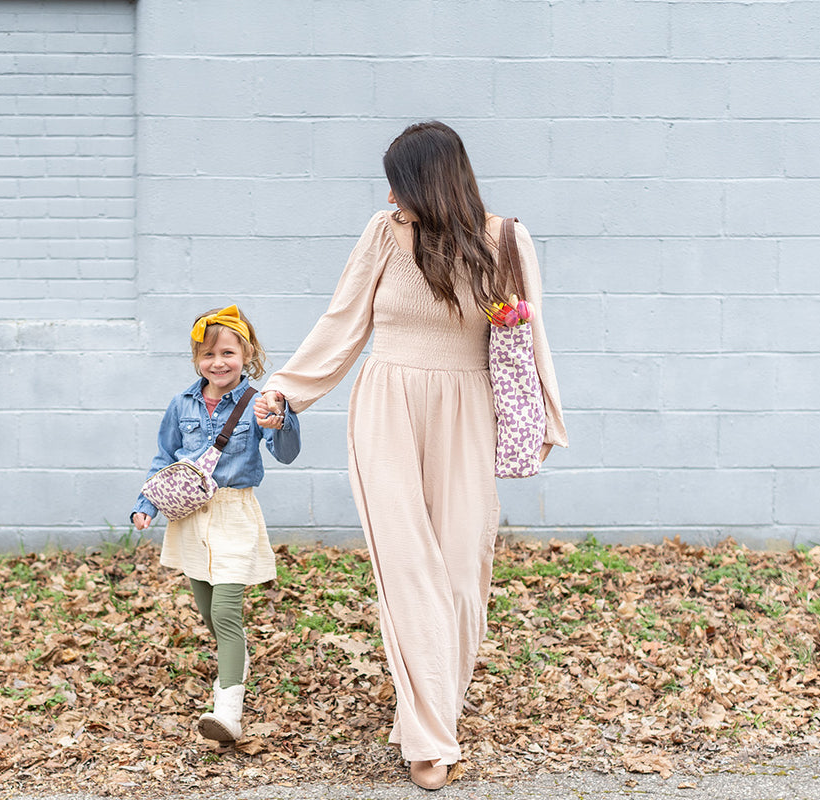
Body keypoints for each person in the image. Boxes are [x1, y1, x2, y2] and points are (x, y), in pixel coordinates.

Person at [257, 121, 567, 790]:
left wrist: (543, 417)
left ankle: (428, 713)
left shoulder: (507, 240)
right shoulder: (381, 234)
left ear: (431, 180)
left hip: (469, 412)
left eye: (399, 180)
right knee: (410, 571)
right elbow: (342, 323)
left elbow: (530, 339)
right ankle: (430, 737)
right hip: (387, 408)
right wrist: (285, 388)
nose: (389, 193)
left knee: (461, 571)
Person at [131, 304, 301, 743]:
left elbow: (285, 453)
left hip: (233, 513)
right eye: (207, 355)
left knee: (226, 610)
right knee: (207, 609)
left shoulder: (259, 402)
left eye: (227, 352)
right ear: (196, 360)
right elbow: (164, 458)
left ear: (246, 353)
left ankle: (228, 709)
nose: (218, 362)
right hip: (189, 515)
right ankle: (236, 658)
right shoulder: (181, 404)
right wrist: (146, 502)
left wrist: (280, 420)